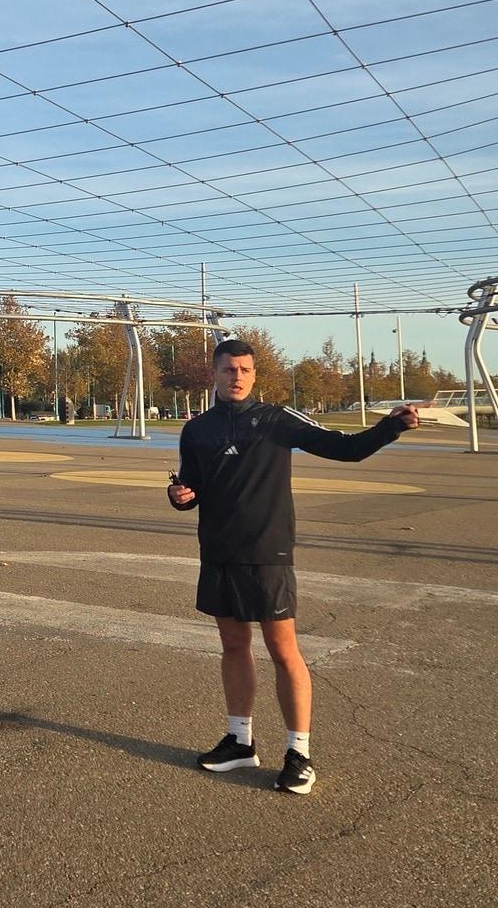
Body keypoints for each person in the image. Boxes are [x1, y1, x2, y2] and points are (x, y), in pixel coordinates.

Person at [169, 338, 418, 795]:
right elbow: (193, 486)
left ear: (255, 374)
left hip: (269, 553)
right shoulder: (197, 430)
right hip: (219, 552)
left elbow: (345, 448)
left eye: (244, 369)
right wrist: (179, 496)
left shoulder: (275, 420)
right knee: (232, 645)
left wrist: (389, 427)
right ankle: (240, 742)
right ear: (215, 374)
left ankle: (299, 753)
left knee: (283, 650)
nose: (236, 376)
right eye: (228, 370)